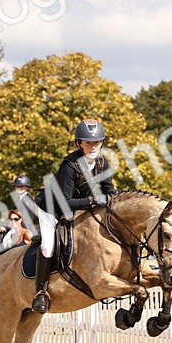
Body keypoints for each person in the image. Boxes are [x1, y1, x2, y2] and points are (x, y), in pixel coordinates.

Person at [29, 119, 116, 314]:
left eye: (97, 142)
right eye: (88, 142)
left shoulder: (102, 162)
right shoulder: (70, 165)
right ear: (79, 144)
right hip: (51, 208)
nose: (93, 146)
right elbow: (65, 201)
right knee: (49, 245)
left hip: (75, 208)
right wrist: (94, 202)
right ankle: (40, 292)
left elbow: (110, 190)